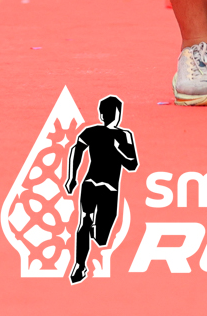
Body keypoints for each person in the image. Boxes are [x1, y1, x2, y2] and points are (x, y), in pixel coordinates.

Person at [61, 95, 138, 285]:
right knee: (85, 221)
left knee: (101, 237)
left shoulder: (124, 135)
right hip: (93, 184)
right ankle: (80, 265)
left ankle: (94, 234)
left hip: (107, 189)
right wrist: (72, 177)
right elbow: (76, 150)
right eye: (110, 112)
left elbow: (132, 164)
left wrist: (116, 151)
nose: (113, 116)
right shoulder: (93, 132)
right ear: (103, 114)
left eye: (115, 112)